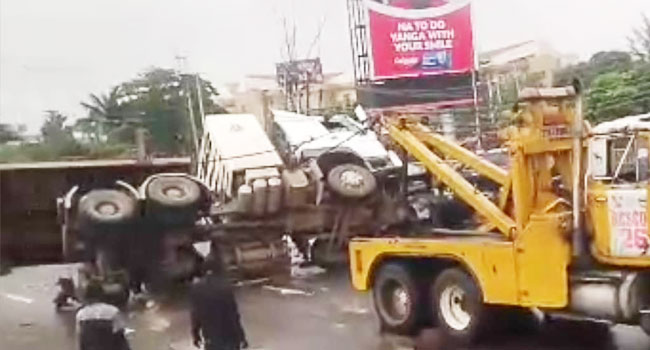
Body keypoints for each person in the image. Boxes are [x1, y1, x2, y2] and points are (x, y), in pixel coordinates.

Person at [190, 248, 248, 350]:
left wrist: (195, 334)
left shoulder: (197, 289)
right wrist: (241, 337)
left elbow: (196, 314)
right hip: (230, 338)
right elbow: (233, 315)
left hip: (211, 339)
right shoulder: (225, 286)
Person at [75, 282, 131, 350]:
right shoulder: (113, 311)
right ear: (102, 294)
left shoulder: (81, 314)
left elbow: (82, 341)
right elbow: (121, 337)